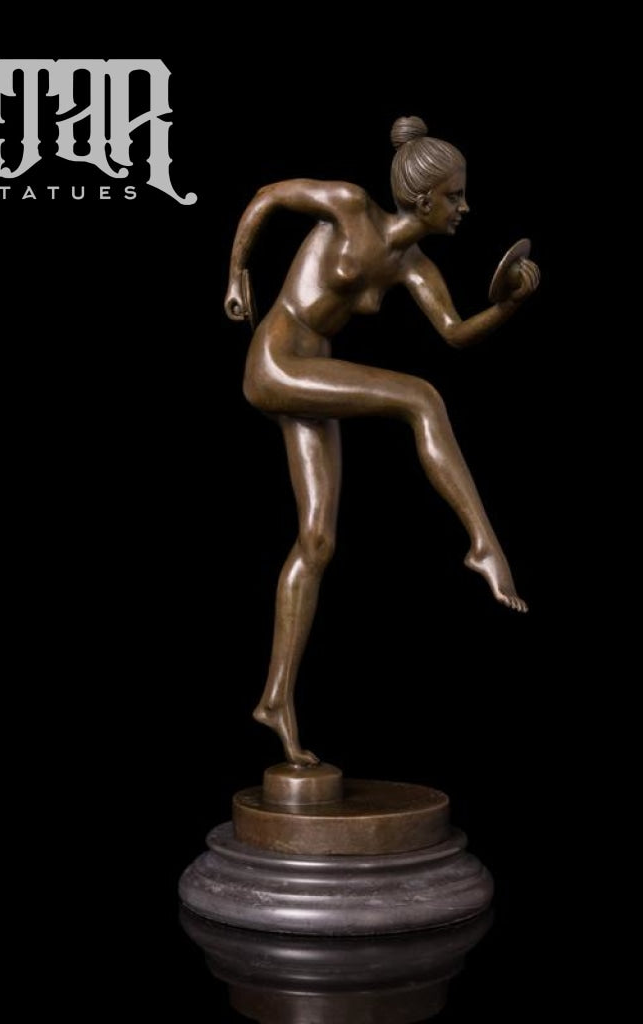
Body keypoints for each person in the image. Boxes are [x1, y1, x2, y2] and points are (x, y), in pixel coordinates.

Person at [225, 116, 539, 766]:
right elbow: (267, 197)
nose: (464, 207)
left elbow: (454, 332)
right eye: (455, 196)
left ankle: (275, 699)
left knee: (317, 541)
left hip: (313, 376)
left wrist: (509, 304)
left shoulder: (414, 267)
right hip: (277, 362)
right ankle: (484, 544)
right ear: (423, 199)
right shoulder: (348, 205)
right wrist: (235, 275)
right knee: (420, 397)